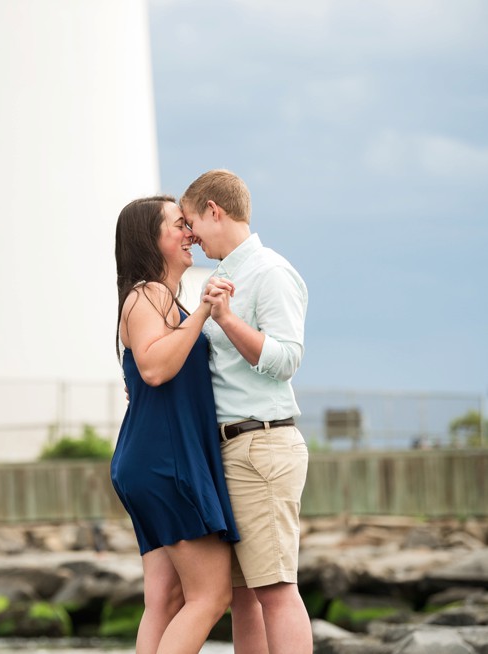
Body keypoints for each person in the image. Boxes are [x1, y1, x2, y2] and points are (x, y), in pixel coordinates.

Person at [180, 170, 312, 654]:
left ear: (215, 209)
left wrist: (228, 319)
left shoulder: (270, 272)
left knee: (275, 591)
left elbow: (285, 360)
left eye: (192, 221)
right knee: (243, 596)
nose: (190, 235)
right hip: (229, 451)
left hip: (262, 445)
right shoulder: (220, 277)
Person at [110, 194, 240, 654]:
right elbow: (155, 369)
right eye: (178, 225)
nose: (190, 233)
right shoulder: (150, 294)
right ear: (150, 239)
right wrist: (204, 311)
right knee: (210, 596)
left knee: (164, 600)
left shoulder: (154, 299)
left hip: (146, 458)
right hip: (166, 462)